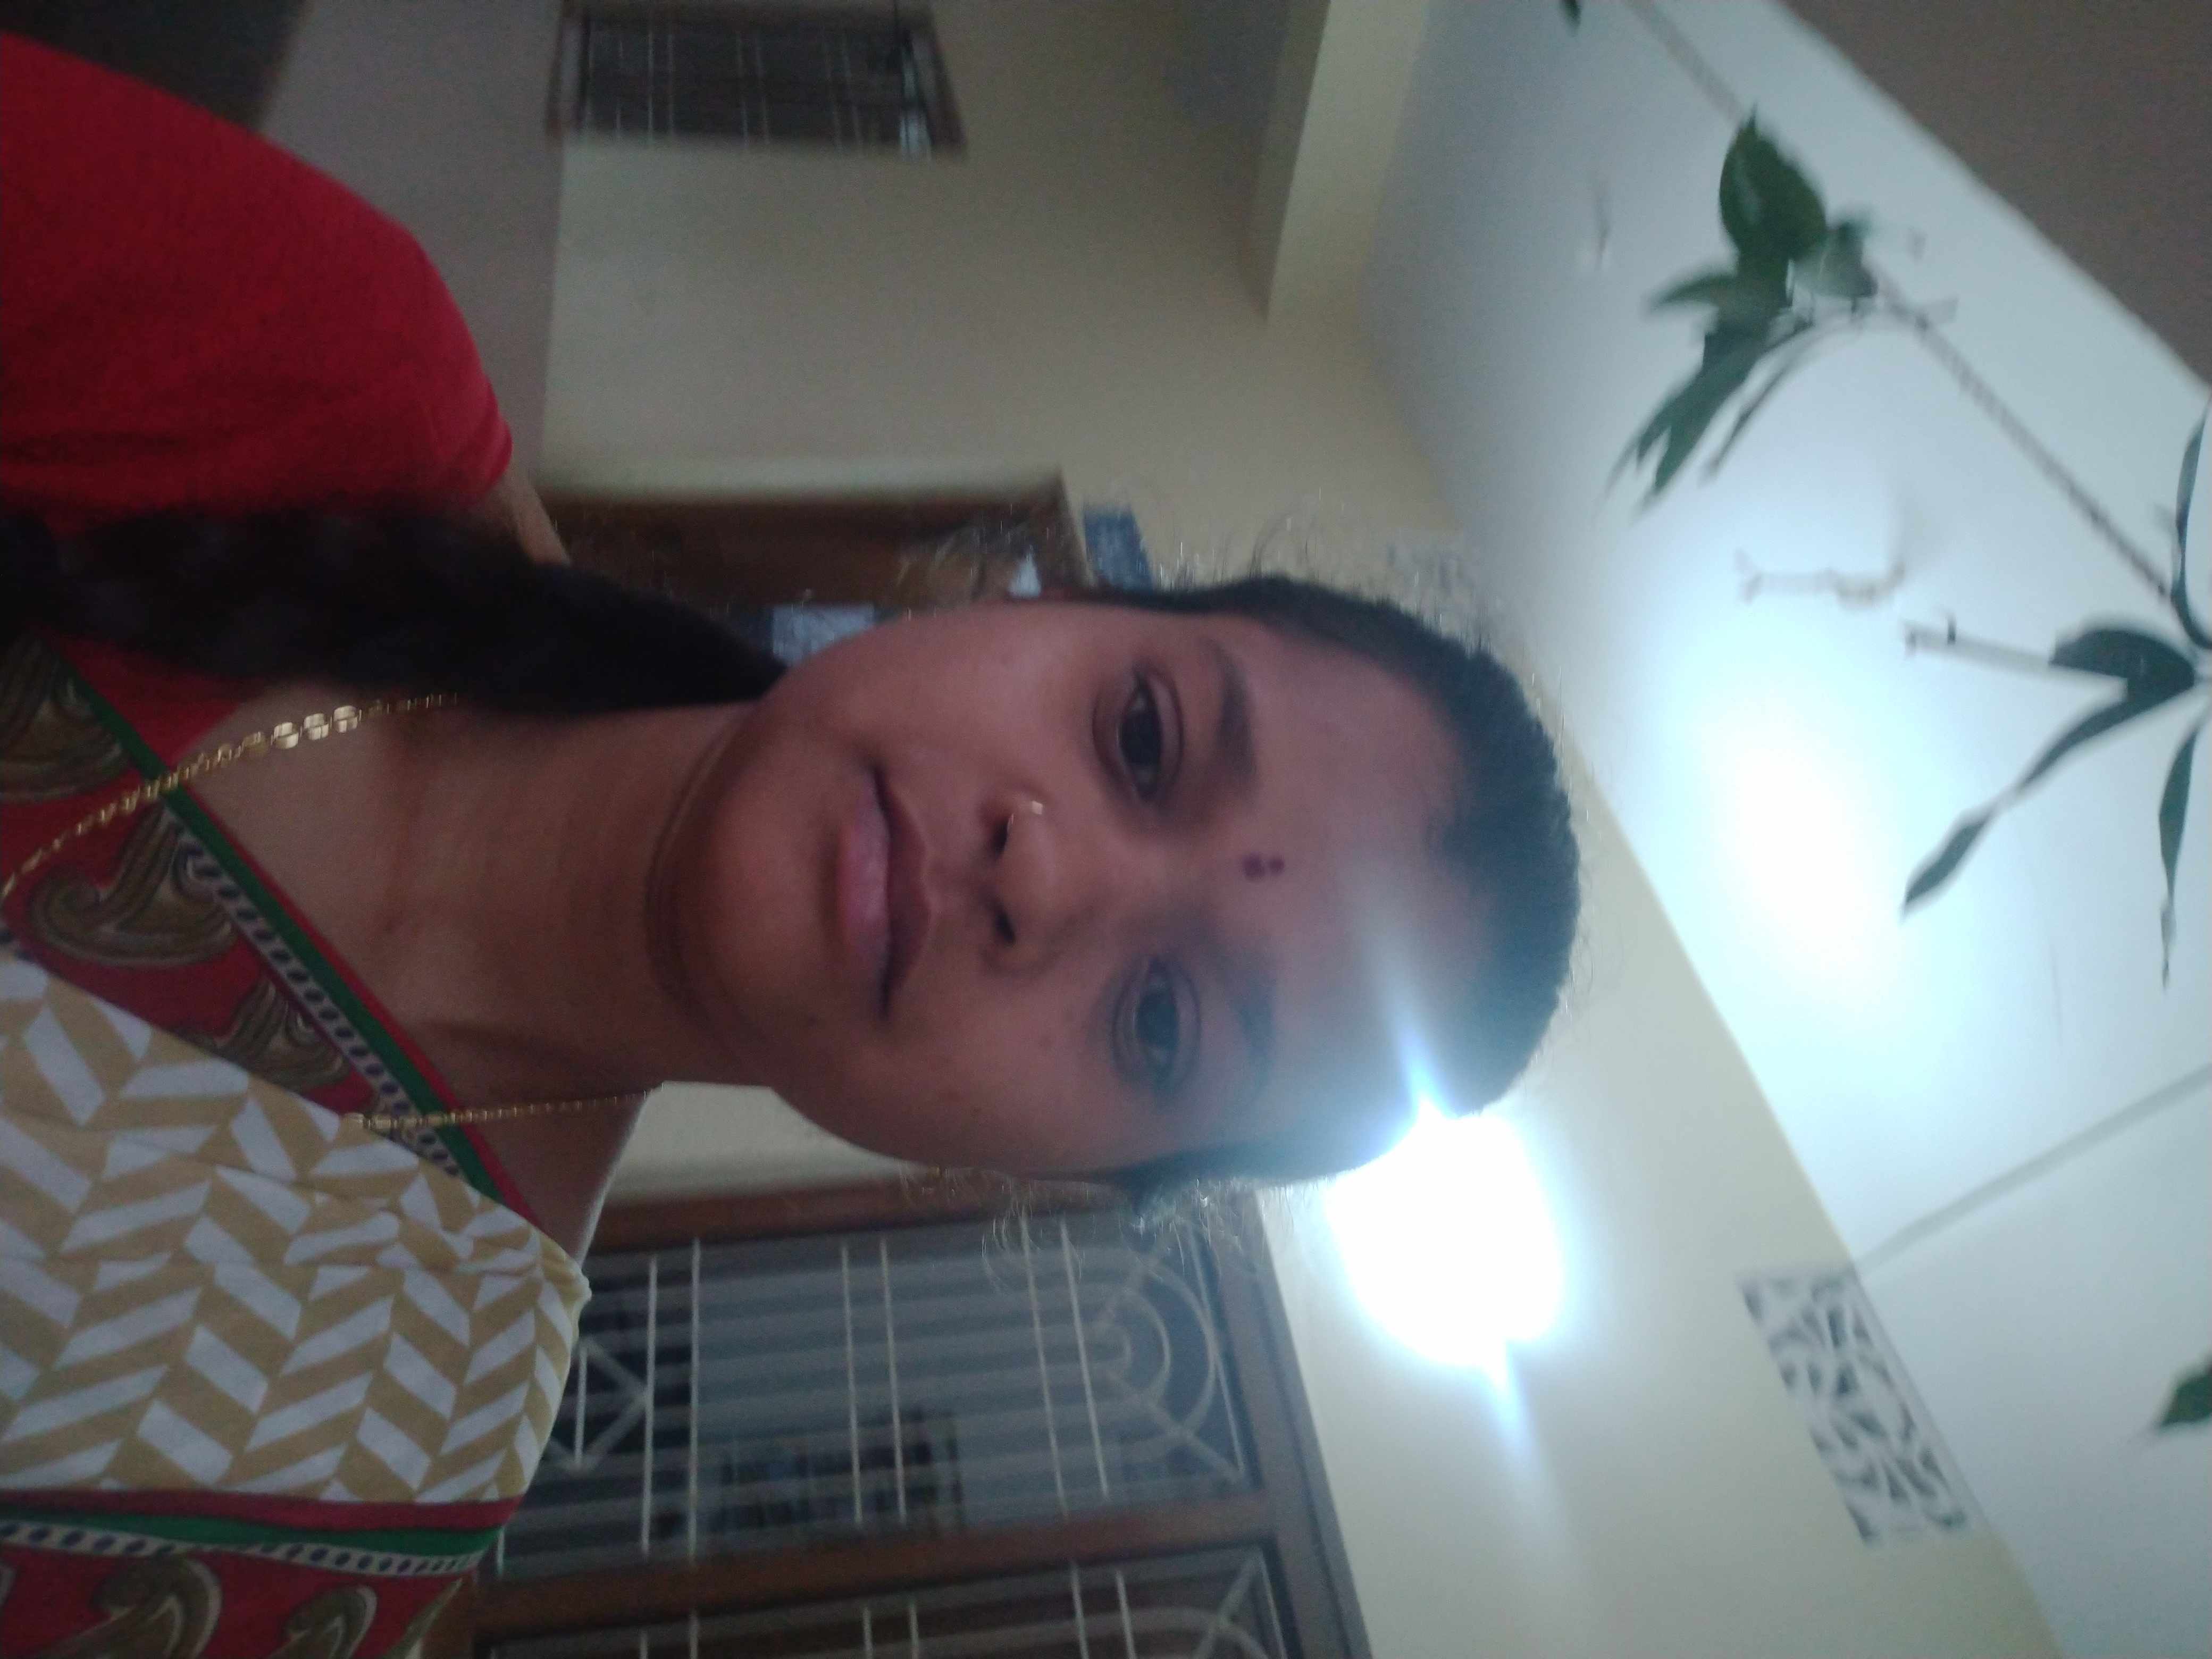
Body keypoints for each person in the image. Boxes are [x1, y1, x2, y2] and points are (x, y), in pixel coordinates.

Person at [0, 32, 1579, 1657]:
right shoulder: (337, 375)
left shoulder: (388, 1448)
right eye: (1142, 737)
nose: (1043, 877)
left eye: (1163, 1022)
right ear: (1052, 601)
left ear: (1059, 1174)